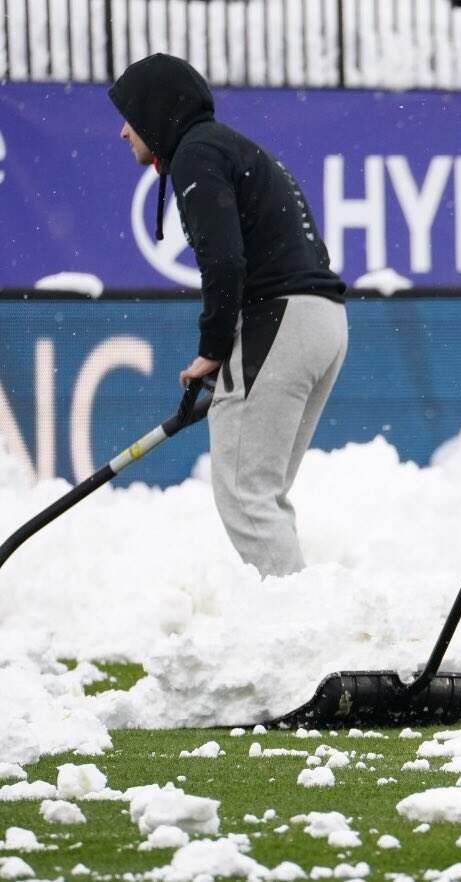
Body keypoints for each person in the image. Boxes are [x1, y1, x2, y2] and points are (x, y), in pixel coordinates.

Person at [109, 54, 348, 578]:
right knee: (263, 496)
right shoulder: (228, 146)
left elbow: (224, 260)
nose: (124, 131)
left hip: (281, 319)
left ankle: (299, 632)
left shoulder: (196, 154)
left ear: (154, 113)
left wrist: (214, 348)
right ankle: (308, 622)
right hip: (322, 321)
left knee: (246, 497)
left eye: (129, 115)